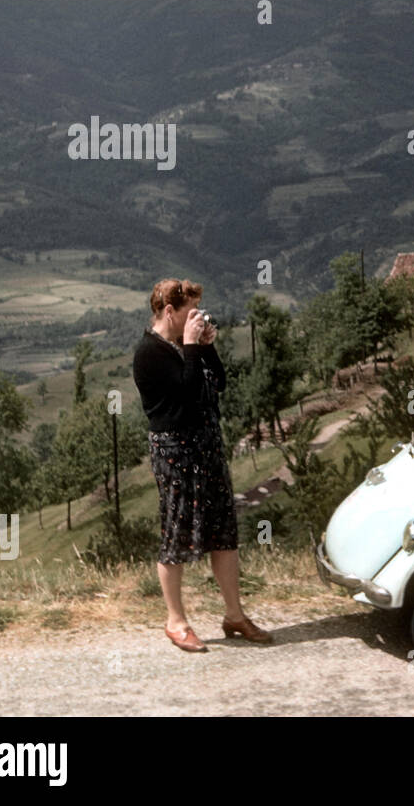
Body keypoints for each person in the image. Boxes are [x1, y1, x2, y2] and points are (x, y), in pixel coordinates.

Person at [132, 278, 272, 652]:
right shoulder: (149, 353)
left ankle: (234, 614)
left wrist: (207, 349)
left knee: (224, 532)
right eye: (190, 312)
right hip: (176, 453)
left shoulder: (186, 346)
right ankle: (175, 621)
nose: (196, 317)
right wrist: (193, 346)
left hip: (208, 448)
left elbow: (218, 384)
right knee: (176, 534)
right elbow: (187, 390)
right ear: (168, 312)